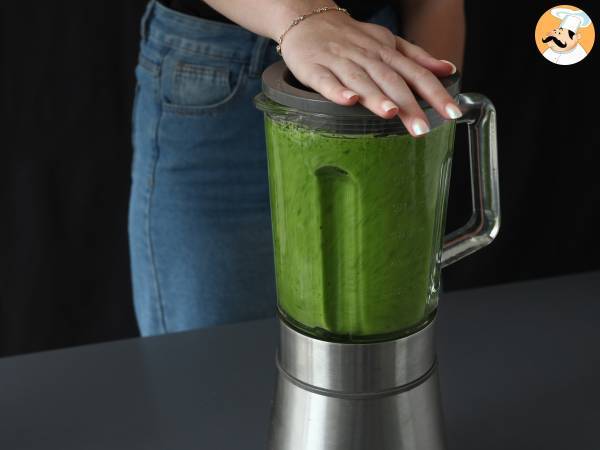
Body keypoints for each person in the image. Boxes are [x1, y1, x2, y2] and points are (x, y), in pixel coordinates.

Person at [129, 0, 465, 336]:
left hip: (373, 71)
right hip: (218, 69)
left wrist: (429, 122)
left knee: (391, 351)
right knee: (210, 357)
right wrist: (303, 17)